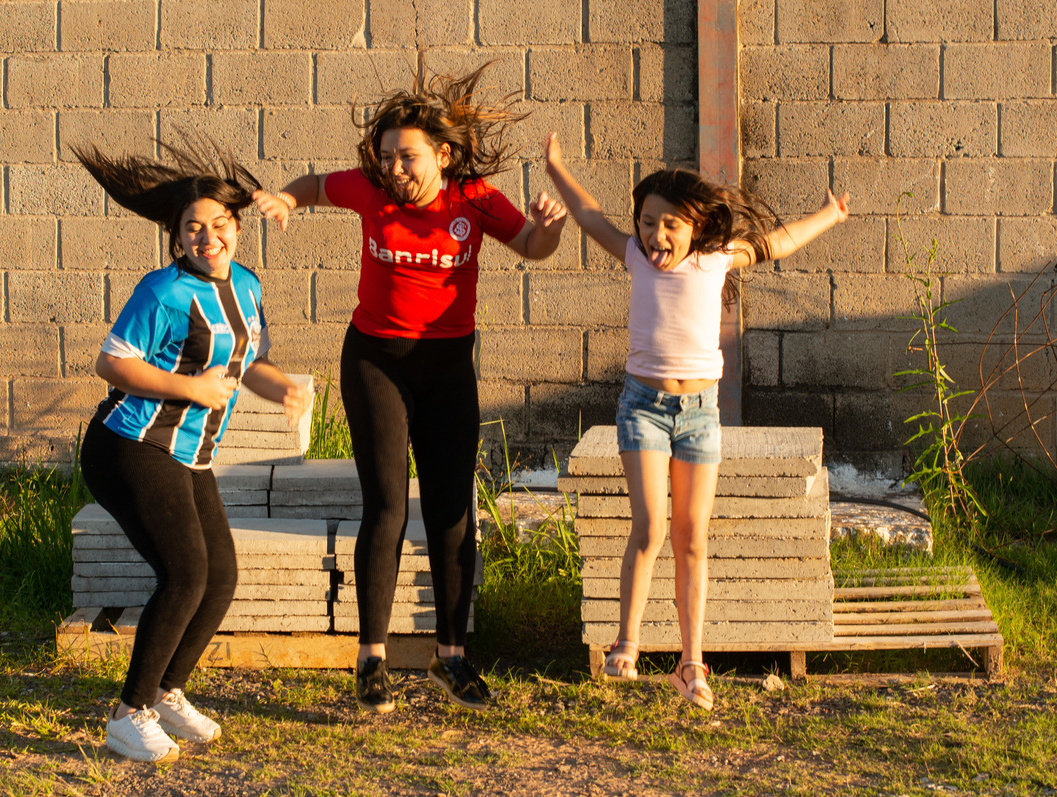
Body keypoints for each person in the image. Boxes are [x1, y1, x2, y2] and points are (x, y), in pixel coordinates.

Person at [254, 64, 567, 713]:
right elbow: (314, 184)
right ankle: (370, 659)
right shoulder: (370, 192)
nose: (396, 168)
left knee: (452, 512)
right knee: (388, 508)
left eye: (410, 157)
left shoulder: (473, 198)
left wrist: (551, 224)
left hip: (448, 367)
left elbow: (534, 246)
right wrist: (286, 197)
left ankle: (449, 658)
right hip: (376, 361)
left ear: (443, 155)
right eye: (388, 156)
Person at [543, 132, 849, 710]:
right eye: (648, 221)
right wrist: (558, 168)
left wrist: (829, 215)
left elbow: (778, 244)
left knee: (691, 538)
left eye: (671, 225)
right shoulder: (634, 253)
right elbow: (588, 216)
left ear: (696, 228)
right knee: (649, 528)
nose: (656, 235)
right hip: (643, 409)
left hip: (700, 416)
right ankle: (626, 644)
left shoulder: (716, 258)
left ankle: (690, 663)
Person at [74, 137, 310, 761]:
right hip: (129, 444)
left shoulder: (249, 287)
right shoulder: (162, 291)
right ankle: (129, 713)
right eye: (193, 229)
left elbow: (248, 362)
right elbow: (112, 363)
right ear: (177, 238)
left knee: (221, 578)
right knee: (183, 575)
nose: (209, 239)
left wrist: (279, 384)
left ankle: (168, 692)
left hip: (190, 451)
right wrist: (191, 388)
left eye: (219, 225)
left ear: (237, 229)